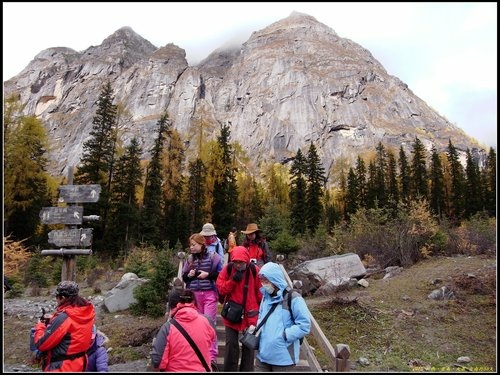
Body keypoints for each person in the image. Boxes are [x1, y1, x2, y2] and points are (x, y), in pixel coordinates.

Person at [254, 262, 311, 371]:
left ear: (274, 279)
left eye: (266, 280)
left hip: (284, 358)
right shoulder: (265, 297)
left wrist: (285, 335)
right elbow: (261, 316)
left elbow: (304, 325)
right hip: (263, 355)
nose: (263, 283)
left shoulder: (293, 298)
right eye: (261, 280)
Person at [215, 246, 262, 372]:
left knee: (249, 346)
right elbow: (221, 288)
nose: (238, 265)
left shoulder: (254, 270)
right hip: (232, 313)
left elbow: (260, 293)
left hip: (250, 314)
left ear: (246, 260)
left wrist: (261, 311)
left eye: (240, 262)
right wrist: (232, 281)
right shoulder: (228, 269)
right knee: (231, 345)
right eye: (235, 262)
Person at [33, 280, 96, 372]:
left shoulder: (64, 318)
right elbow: (74, 330)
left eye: (56, 297)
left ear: (62, 298)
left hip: (61, 367)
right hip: (79, 364)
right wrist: (53, 320)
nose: (56, 299)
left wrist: (40, 325)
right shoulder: (85, 312)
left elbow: (41, 344)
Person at [150, 288, 216, 372]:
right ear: (192, 302)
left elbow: (157, 361)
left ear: (171, 306)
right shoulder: (208, 321)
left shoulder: (167, 328)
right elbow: (211, 341)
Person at [182, 233, 222, 366]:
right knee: (195, 325)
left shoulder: (214, 257)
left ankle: (211, 356)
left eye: (194, 245)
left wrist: (208, 275)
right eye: (190, 245)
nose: (191, 247)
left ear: (201, 244)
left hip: (209, 294)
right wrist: (189, 274)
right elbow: (185, 278)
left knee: (209, 323)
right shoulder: (189, 259)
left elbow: (220, 275)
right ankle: (197, 353)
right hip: (194, 295)